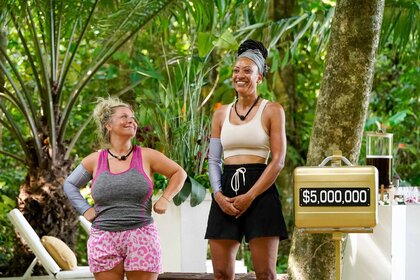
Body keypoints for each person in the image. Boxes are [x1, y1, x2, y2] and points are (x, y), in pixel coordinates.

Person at [64, 97, 187, 280]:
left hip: (142, 236)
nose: (131, 121)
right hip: (104, 238)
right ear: (108, 125)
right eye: (124, 117)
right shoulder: (95, 160)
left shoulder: (147, 156)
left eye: (133, 118)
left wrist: (165, 198)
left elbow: (179, 173)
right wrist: (85, 209)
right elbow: (69, 184)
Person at [205, 39, 288, 280]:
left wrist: (251, 196)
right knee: (221, 273)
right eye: (236, 71)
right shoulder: (220, 113)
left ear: (259, 77)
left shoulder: (272, 110)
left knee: (265, 274)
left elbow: (278, 160)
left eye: (247, 71)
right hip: (226, 189)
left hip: (260, 189)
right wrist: (218, 195)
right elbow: (213, 160)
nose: (240, 76)